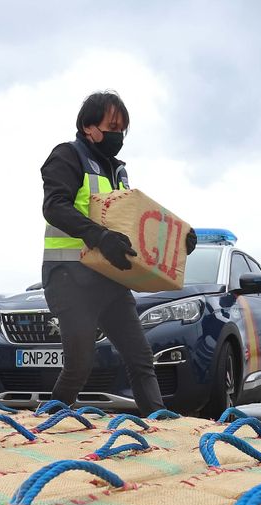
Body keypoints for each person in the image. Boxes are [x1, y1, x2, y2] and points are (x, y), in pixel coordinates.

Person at [41, 91, 192, 415]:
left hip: (110, 279)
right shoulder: (67, 156)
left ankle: (159, 427)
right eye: (112, 126)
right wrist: (100, 237)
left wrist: (177, 240)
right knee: (79, 366)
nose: (118, 136)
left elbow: (137, 221)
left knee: (140, 359)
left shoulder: (118, 172)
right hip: (71, 277)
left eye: (123, 129)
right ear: (88, 127)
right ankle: (46, 422)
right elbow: (54, 207)